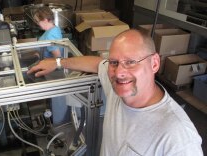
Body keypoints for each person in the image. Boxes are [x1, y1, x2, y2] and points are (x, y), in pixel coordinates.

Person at [27, 29, 203, 155]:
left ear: (154, 63)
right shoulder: (118, 90)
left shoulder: (178, 138)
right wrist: (58, 62)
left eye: (131, 62)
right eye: (114, 62)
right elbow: (97, 64)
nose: (119, 73)